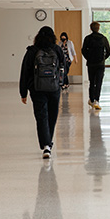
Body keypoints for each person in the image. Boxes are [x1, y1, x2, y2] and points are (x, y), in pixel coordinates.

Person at [19, 26, 66, 159]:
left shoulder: (32, 51)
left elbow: (24, 72)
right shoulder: (57, 49)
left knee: (41, 117)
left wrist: (23, 92)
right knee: (52, 116)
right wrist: (61, 83)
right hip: (54, 88)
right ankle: (48, 144)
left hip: (37, 89)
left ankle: (45, 145)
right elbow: (64, 67)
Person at [81, 21, 110, 110]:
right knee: (98, 82)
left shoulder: (87, 38)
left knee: (92, 82)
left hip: (91, 64)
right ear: (98, 28)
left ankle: (91, 99)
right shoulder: (103, 38)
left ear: (91, 28)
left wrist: (89, 58)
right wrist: (103, 59)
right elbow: (109, 51)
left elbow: (83, 50)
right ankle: (96, 100)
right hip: (100, 64)